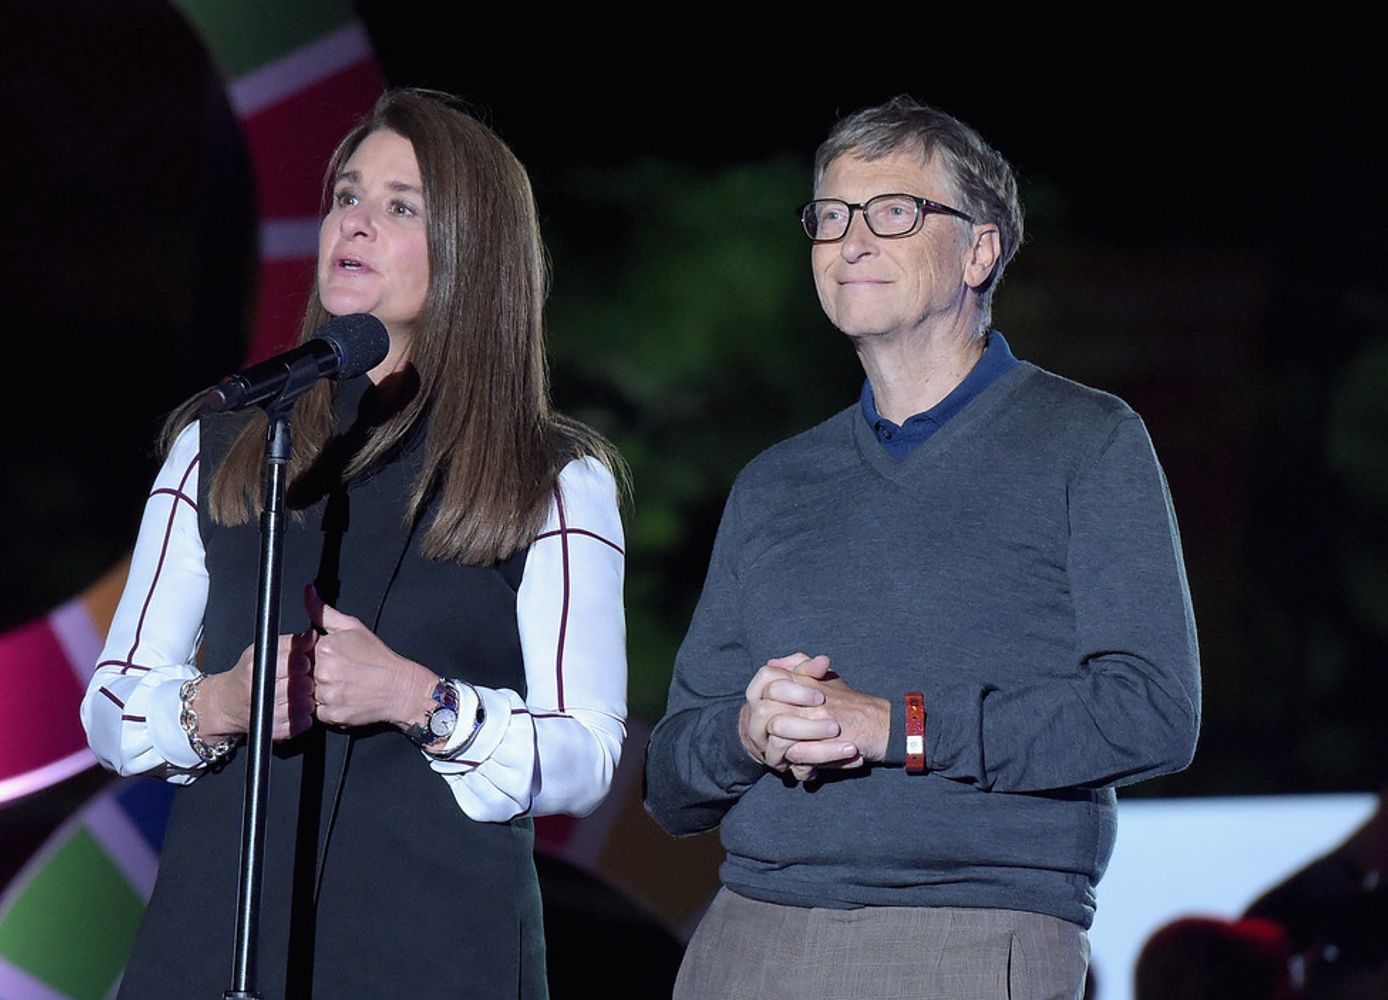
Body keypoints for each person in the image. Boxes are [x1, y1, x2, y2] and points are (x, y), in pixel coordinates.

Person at [644, 95, 1201, 999]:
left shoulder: (1088, 441)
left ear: (980, 250)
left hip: (970, 931)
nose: (850, 241)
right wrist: (746, 734)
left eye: (894, 212)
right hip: (745, 934)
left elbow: (1151, 713)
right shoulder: (774, 483)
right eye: (830, 217)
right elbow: (671, 779)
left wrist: (897, 728)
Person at [82, 89, 627, 998]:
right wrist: (221, 701)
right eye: (346, 195)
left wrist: (420, 699)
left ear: (470, 251)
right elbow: (111, 705)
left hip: (431, 951)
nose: (357, 223)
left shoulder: (552, 477)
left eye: (399, 206)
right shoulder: (222, 441)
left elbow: (586, 754)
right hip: (215, 945)